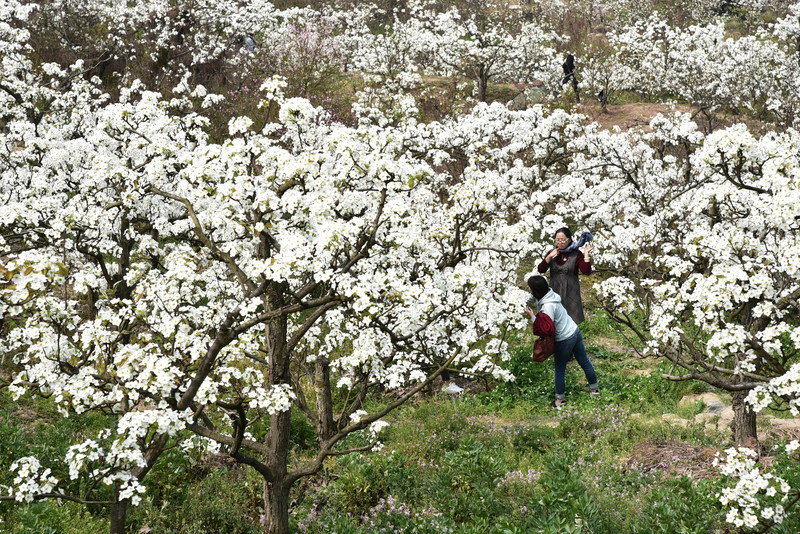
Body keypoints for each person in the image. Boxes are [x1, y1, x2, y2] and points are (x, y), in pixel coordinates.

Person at [526, 275, 598, 408]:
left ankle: (560, 401)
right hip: (574, 331)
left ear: (534, 290)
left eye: (530, 287)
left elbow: (546, 329)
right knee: (584, 362)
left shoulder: (547, 307)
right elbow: (536, 298)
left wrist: (532, 317)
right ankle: (594, 390)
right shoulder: (550, 294)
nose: (528, 289)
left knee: (559, 369)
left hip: (565, 339)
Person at [537, 227, 594, 324]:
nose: (560, 242)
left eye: (563, 240)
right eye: (557, 240)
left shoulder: (576, 254)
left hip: (571, 293)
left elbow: (586, 271)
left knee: (570, 322)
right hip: (554, 292)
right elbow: (541, 269)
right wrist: (549, 257)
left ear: (569, 240)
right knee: (552, 321)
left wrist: (586, 255)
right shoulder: (552, 252)